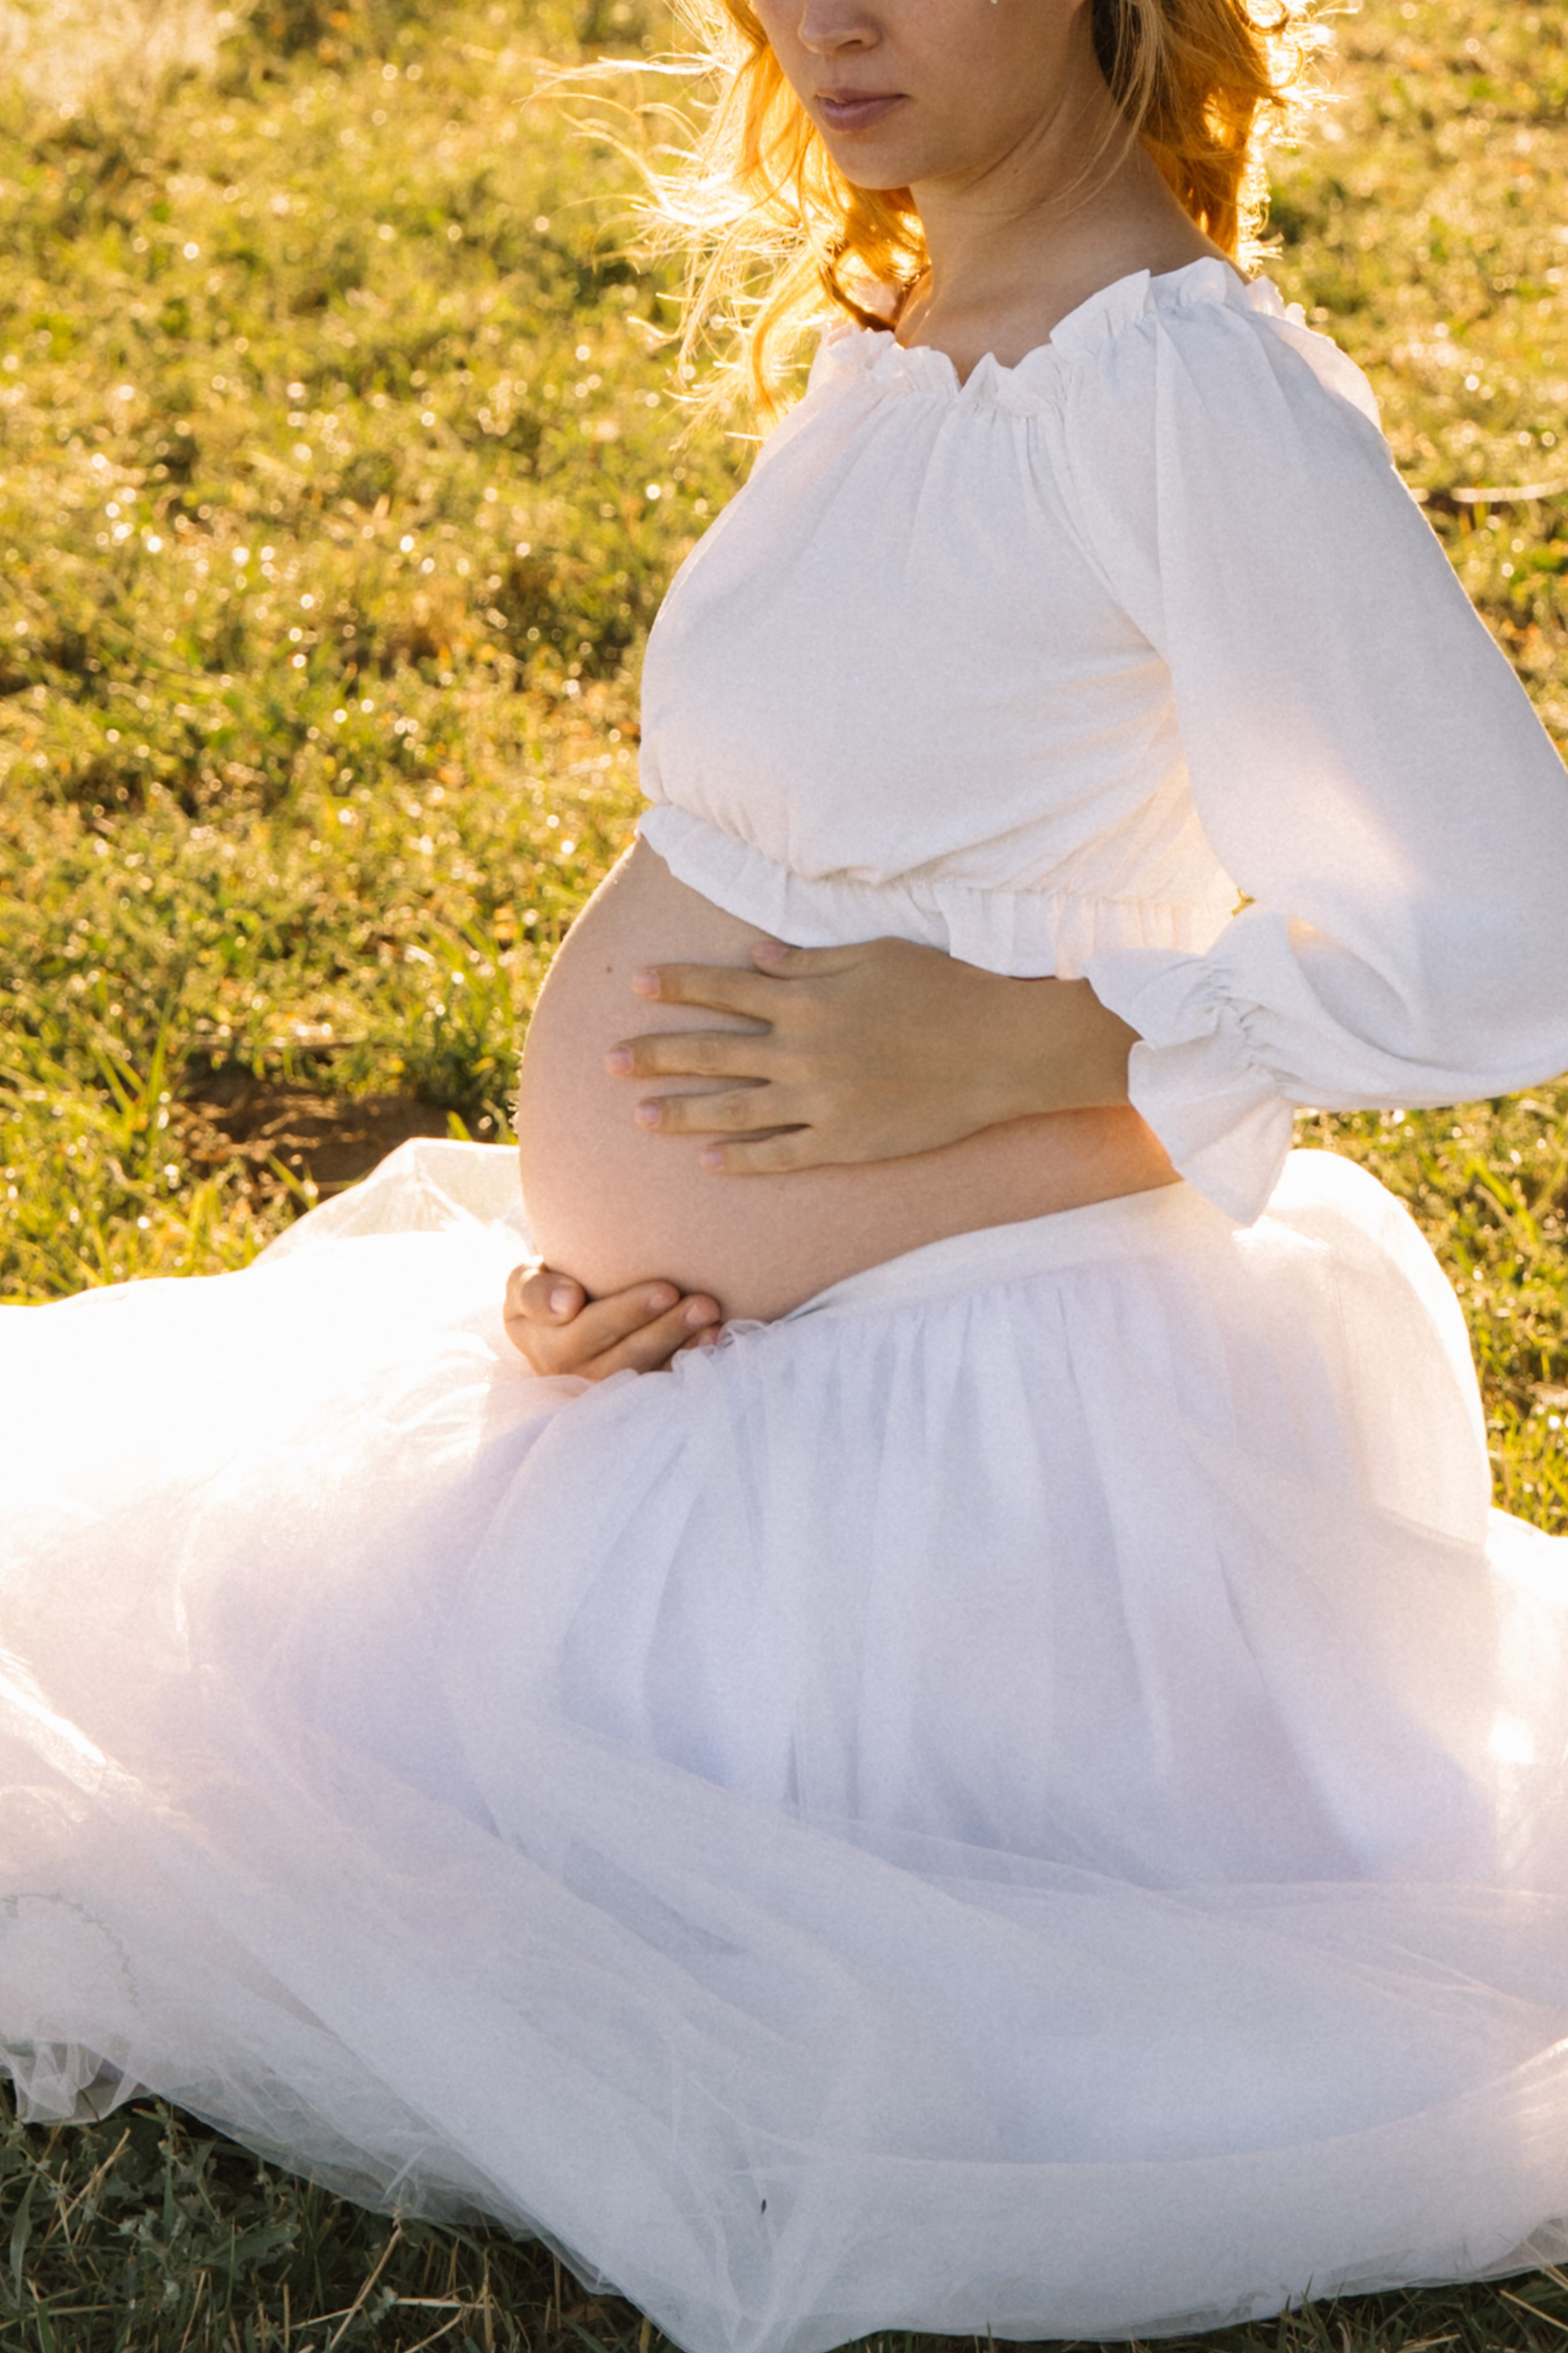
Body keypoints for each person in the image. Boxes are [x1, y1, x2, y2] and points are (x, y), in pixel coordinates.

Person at [6, 0, 1568, 2341]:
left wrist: (1031, 1033)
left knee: (410, 1846)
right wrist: (607, 1243)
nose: (824, 19)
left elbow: (1503, 921)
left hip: (976, 1454)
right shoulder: (930, 321)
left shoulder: (1180, 389)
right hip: (722, 1359)